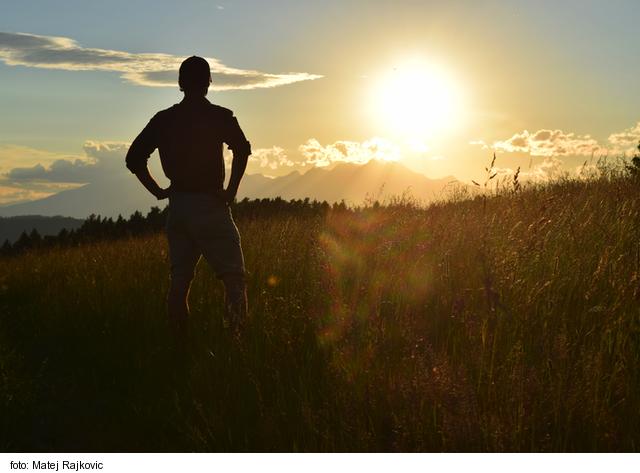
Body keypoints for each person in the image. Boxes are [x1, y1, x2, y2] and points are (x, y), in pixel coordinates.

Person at [125, 55, 251, 338]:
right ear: (209, 82)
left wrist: (159, 191)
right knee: (234, 279)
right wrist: (231, 191)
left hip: (178, 208)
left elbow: (134, 159)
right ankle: (236, 342)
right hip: (210, 206)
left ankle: (178, 343)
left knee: (179, 282)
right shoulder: (220, 116)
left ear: (180, 83)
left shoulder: (163, 120)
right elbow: (242, 149)